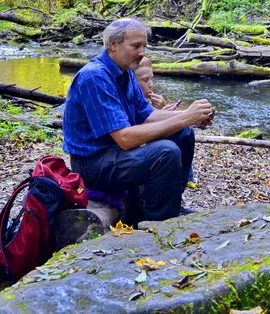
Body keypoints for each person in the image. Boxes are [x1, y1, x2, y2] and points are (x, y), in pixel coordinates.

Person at [63, 18, 216, 221]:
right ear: (113, 45)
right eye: (136, 46)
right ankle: (155, 224)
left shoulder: (124, 73)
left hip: (113, 155)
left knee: (184, 133)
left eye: (144, 46)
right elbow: (125, 139)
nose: (142, 52)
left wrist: (191, 117)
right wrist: (186, 117)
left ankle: (170, 206)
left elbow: (148, 115)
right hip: (92, 164)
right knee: (165, 152)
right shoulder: (95, 77)